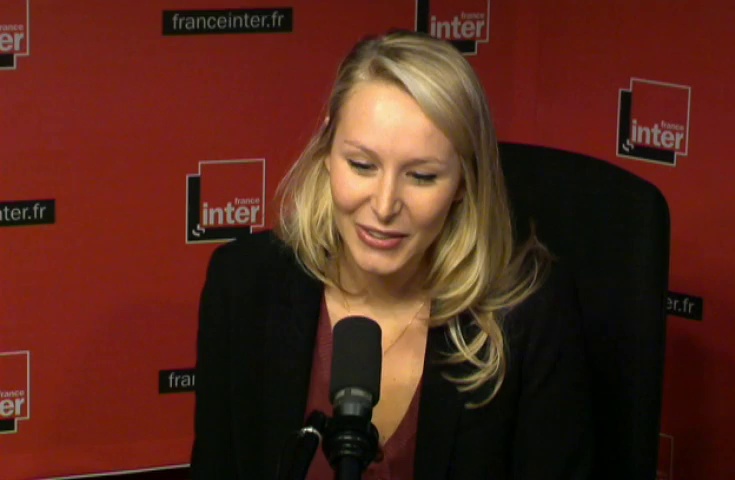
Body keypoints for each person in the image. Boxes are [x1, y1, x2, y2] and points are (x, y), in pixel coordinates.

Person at [190, 30, 592, 480]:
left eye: (421, 176)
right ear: (327, 150)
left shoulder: (528, 316)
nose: (383, 207)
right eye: (362, 165)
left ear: (464, 182)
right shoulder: (244, 284)